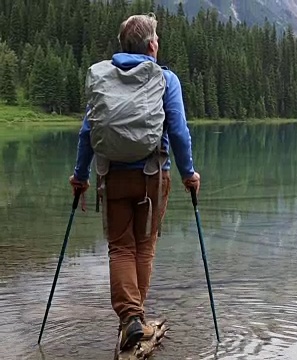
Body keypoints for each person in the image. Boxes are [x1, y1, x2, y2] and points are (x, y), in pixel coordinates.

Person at [68, 13, 200, 351]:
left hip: (112, 176)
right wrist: (189, 174)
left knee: (121, 247)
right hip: (154, 177)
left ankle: (131, 319)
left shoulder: (104, 79)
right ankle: (134, 317)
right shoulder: (166, 79)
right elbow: (180, 133)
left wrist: (79, 176)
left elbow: (87, 132)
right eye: (157, 39)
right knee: (144, 245)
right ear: (152, 45)